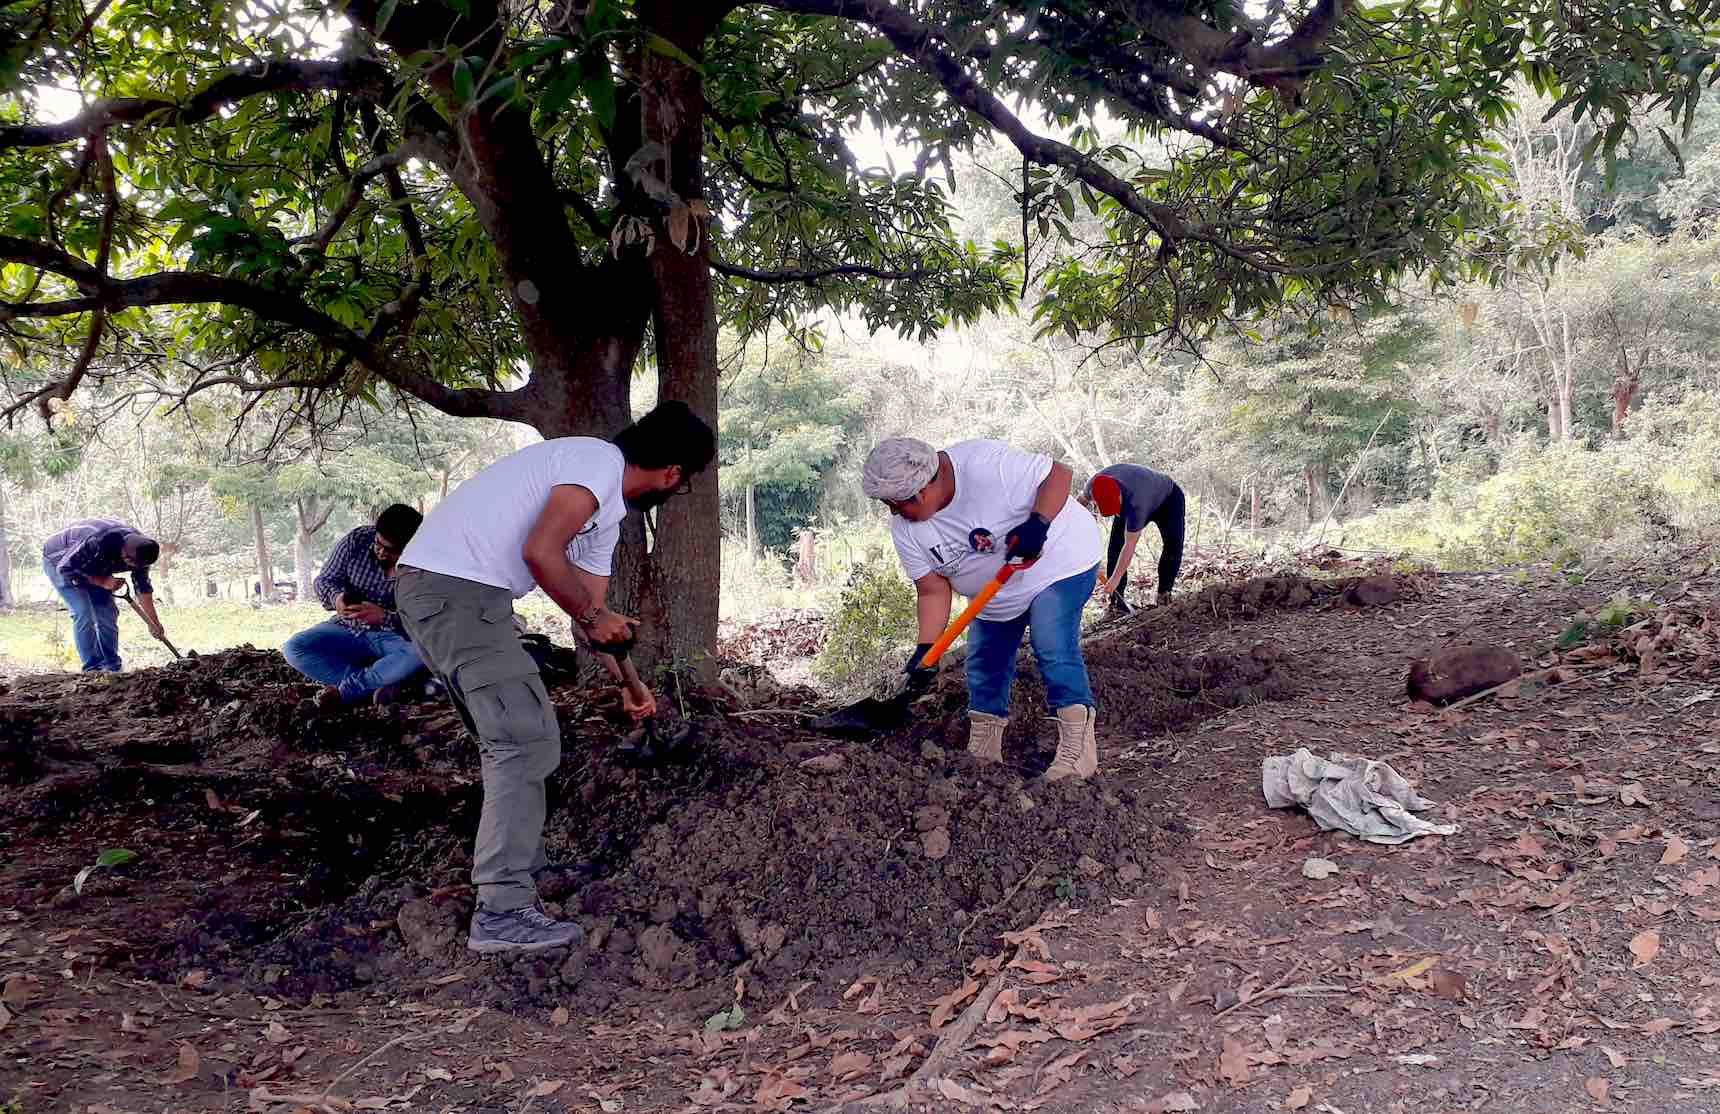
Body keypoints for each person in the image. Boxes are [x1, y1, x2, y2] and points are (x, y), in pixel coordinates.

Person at [394, 401, 716, 954]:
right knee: (520, 739)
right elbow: (542, 554)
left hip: (460, 596)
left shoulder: (603, 513)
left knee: (519, 735)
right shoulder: (595, 463)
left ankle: (523, 865)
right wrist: (596, 618)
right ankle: (500, 910)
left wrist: (631, 687)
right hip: (454, 590)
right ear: (673, 474)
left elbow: (594, 615)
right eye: (682, 484)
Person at [861, 437, 1103, 781]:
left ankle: (1077, 749)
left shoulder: (985, 465)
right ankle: (984, 751)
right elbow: (932, 590)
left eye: (897, 504)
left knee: (1051, 639)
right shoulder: (906, 530)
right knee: (984, 662)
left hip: (1060, 560)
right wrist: (926, 648)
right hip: (997, 591)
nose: (894, 512)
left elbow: (1059, 474)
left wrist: (1038, 523)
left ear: (924, 490)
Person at [283, 504, 429, 707]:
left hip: (394, 636)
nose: (381, 552)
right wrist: (337, 599)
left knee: (420, 653)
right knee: (295, 648)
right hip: (347, 628)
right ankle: (378, 682)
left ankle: (351, 689)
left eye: (392, 550)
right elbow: (324, 580)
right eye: (379, 543)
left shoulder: (425, 565)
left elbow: (426, 620)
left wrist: (384, 616)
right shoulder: (357, 540)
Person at [41, 519, 167, 673]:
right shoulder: (95, 541)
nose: (136, 568)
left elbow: (143, 589)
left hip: (96, 565)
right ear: (124, 554)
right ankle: (92, 669)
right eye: (133, 564)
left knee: (108, 614)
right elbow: (65, 568)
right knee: (83, 612)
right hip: (59, 560)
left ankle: (112, 666)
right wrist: (101, 581)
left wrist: (153, 622)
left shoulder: (142, 551)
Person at [1081, 464, 1186, 618]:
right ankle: (1117, 602)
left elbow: (1129, 546)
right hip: (1134, 494)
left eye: (1117, 511)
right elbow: (1078, 504)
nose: (1117, 515)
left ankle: (1164, 594)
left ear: (1120, 498)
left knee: (1173, 545)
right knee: (1114, 548)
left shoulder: (1137, 503)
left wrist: (1115, 579)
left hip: (1168, 499)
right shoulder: (1092, 485)